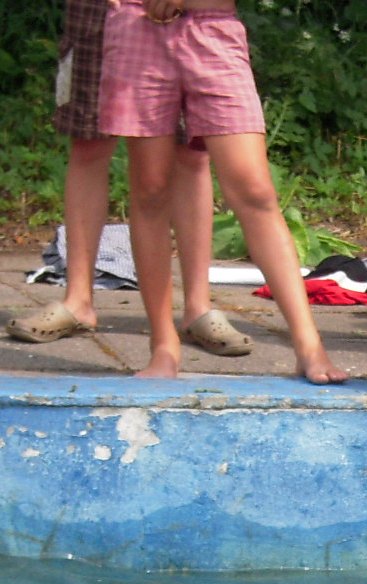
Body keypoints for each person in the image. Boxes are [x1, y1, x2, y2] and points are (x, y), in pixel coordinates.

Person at [99, 0, 345, 382]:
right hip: (138, 26)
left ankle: (309, 346)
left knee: (255, 190)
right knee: (150, 190)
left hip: (214, 26)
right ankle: (163, 346)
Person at [6, 0, 249, 357]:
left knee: (191, 151)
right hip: (97, 11)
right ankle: (78, 300)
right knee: (87, 143)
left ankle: (197, 307)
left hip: (185, 14)